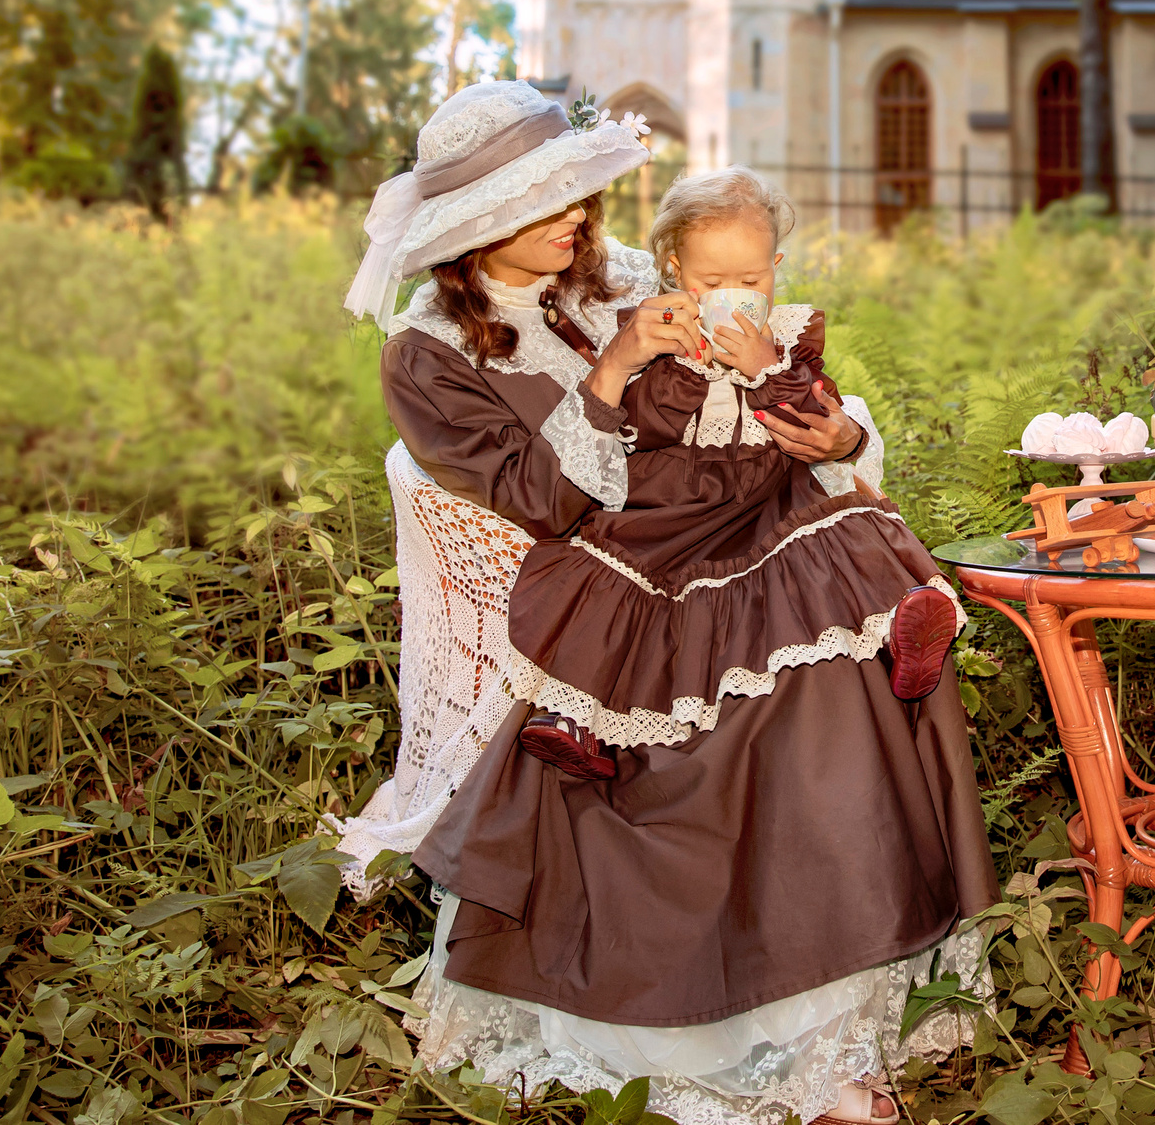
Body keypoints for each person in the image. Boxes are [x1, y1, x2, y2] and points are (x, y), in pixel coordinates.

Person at [341, 83, 996, 1125]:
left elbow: (781, 380)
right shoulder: (429, 356)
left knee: (840, 657)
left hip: (740, 540)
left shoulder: (634, 275)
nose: (575, 216)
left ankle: (828, 1035)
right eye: (543, 201)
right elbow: (537, 503)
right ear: (471, 231)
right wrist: (615, 366)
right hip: (608, 591)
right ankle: (740, 1037)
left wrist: (835, 441)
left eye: (576, 192)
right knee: (787, 695)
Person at [513, 165, 962, 782]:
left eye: (752, 278)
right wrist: (684, 368)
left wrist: (767, 366)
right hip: (675, 498)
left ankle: (905, 627)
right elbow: (641, 428)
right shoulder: (654, 330)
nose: (736, 291)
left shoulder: (789, 336)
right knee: (608, 571)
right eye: (713, 280)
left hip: (765, 491)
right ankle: (576, 720)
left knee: (855, 520)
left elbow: (815, 413)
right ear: (673, 267)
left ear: (775, 264)